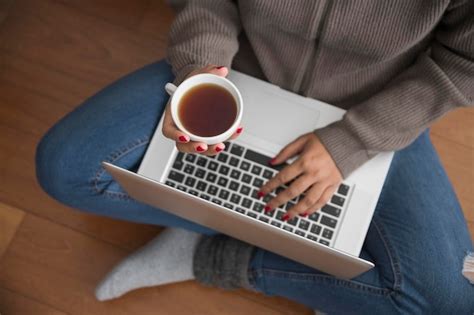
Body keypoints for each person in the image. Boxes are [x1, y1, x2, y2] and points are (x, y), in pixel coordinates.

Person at [35, 0, 474, 313]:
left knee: (450, 301)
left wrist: (355, 141)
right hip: (236, 75)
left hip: (376, 108)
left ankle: (214, 257)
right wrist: (201, 70)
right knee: (64, 169)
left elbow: (464, 62)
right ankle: (240, 221)